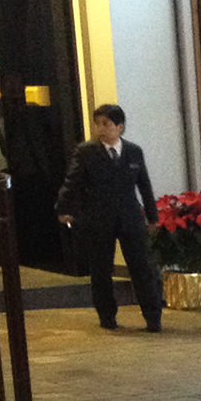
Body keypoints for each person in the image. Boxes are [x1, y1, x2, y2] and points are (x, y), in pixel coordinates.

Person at [56, 103, 164, 332]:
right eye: (98, 124)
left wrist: (152, 217)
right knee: (101, 270)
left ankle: (153, 317)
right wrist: (63, 208)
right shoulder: (86, 151)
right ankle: (107, 317)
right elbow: (72, 181)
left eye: (106, 124)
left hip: (130, 216)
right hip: (98, 217)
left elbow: (144, 185)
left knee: (142, 268)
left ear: (120, 127)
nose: (101, 129)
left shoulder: (134, 151)